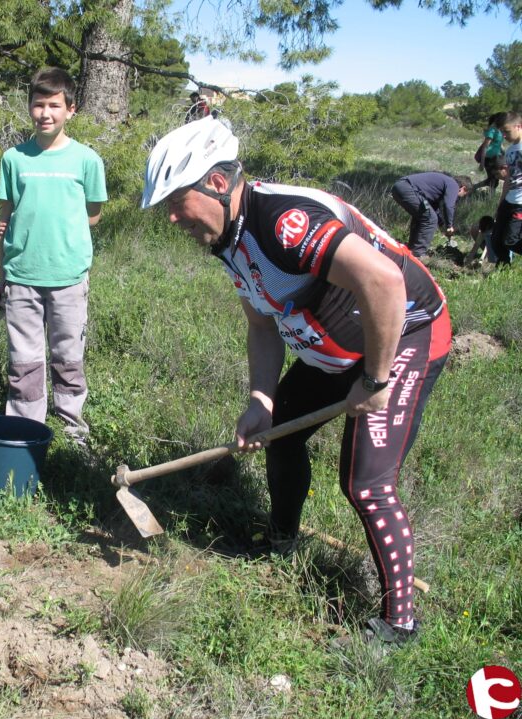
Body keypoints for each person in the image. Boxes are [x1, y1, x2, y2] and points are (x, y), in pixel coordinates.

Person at [141, 117, 451, 644]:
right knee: (280, 430)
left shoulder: (285, 221)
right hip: (340, 343)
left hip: (405, 334)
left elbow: (385, 282)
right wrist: (261, 397)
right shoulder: (228, 237)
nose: (171, 218)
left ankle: (400, 624)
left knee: (366, 483)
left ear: (217, 183)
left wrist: (376, 381)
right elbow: (261, 323)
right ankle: (280, 540)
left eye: (176, 201)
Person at [0, 67, 107, 444]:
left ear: (71, 109)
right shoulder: (14, 158)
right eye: (38, 105)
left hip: (69, 277)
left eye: (54, 106)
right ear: (29, 107)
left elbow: (93, 213)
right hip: (22, 276)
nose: (46, 113)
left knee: (68, 356)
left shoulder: (87, 160)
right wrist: (2, 274)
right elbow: (5, 218)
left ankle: (72, 428)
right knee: (24, 362)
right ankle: (26, 430)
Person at [390, 171, 473, 258]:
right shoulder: (453, 185)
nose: (461, 197)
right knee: (430, 219)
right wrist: (449, 226)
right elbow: (448, 206)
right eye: (464, 194)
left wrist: (441, 224)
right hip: (408, 189)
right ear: (463, 188)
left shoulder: (445, 183)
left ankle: (412, 248)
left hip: (400, 186)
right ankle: (419, 254)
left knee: (423, 217)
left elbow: (433, 208)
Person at [490, 111, 522, 265]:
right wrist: (501, 203)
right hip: (508, 202)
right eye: (501, 132)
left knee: (510, 241)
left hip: (520, 205)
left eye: (506, 131)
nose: (504, 135)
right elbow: (509, 179)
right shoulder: (510, 150)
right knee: (496, 240)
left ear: (519, 126)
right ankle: (503, 269)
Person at [475, 112, 507, 190]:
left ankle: (473, 188)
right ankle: (474, 188)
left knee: (495, 179)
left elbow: (499, 144)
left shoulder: (500, 131)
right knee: (494, 180)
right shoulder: (492, 130)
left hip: (498, 157)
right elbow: (485, 147)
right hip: (490, 159)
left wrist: (505, 154)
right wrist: (482, 163)